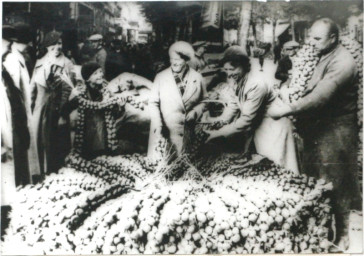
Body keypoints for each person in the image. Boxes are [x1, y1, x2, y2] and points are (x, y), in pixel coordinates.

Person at [268, 18, 361, 251]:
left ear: (333, 38)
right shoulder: (320, 52)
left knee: (337, 182)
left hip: (337, 131)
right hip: (318, 127)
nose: (311, 42)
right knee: (316, 179)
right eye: (311, 36)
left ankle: (342, 235)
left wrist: (287, 109)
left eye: (317, 38)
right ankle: (322, 229)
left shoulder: (344, 62)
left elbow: (320, 97)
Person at [204, 46, 299, 173]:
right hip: (261, 128)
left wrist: (219, 133)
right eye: (226, 70)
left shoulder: (256, 84)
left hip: (275, 127)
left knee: (281, 168)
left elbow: (246, 119)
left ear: (244, 66)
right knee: (267, 167)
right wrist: (221, 120)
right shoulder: (236, 80)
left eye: (232, 69)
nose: (229, 73)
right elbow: (234, 103)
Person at [148, 41, 207, 161]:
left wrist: (196, 112)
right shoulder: (161, 77)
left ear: (186, 60)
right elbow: (153, 103)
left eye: (178, 60)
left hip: (187, 135)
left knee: (185, 167)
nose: (174, 62)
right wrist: (158, 125)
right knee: (164, 167)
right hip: (165, 133)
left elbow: (205, 100)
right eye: (172, 59)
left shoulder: (198, 78)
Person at [30, 31, 74, 175]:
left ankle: (53, 172)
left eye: (60, 43)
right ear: (47, 46)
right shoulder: (39, 62)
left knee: (54, 141)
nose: (57, 47)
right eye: (53, 44)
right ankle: (39, 171)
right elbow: (32, 88)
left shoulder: (67, 63)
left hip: (56, 109)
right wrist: (30, 109)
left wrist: (62, 112)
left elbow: (68, 90)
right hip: (39, 108)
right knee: (37, 140)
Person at [63, 62, 126, 160]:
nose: (100, 75)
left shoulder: (107, 92)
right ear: (88, 78)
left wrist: (121, 106)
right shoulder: (81, 93)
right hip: (87, 142)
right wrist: (72, 96)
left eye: (100, 72)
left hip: (105, 140)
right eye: (96, 73)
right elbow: (64, 111)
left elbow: (115, 114)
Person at [1, 25, 31, 188]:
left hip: (14, 117)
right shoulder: (11, 61)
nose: (9, 47)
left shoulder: (10, 61)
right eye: (8, 43)